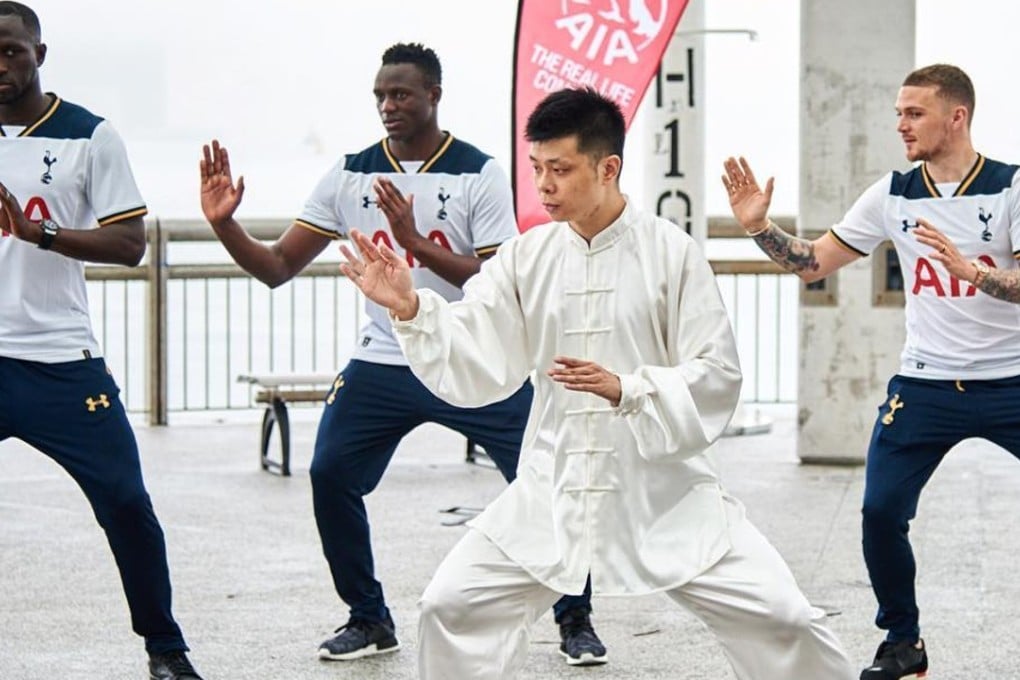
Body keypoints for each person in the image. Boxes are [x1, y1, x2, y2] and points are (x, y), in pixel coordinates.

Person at [339, 86, 855, 679]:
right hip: (551, 489)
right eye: (536, 169)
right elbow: (477, 348)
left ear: (608, 168)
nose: (544, 185)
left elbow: (716, 373)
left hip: (665, 493)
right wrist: (412, 310)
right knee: (450, 606)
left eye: (560, 169)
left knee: (784, 618)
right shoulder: (524, 257)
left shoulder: (671, 252)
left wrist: (628, 389)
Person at [198, 42, 606, 666]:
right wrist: (226, 224)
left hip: (478, 357)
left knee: (548, 479)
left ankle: (574, 617)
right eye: (381, 96)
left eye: (402, 94)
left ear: (433, 97)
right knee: (329, 473)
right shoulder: (350, 173)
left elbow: (502, 280)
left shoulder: (478, 172)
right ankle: (368, 618)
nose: (388, 106)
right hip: (385, 362)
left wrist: (414, 240)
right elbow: (278, 266)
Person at [723, 63, 1020, 680]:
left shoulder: (1012, 187)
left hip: (1010, 380)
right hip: (926, 384)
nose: (901, 125)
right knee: (881, 512)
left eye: (914, 113)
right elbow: (812, 264)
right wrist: (759, 228)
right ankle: (903, 643)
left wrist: (978, 275)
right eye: (898, 113)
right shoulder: (892, 193)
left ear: (956, 117)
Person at [0, 3, 204, 679]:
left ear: (39, 54)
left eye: (12, 52)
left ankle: (166, 652)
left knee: (125, 502)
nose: (1, 67)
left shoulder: (89, 136)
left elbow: (128, 243)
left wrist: (43, 234)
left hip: (61, 361)